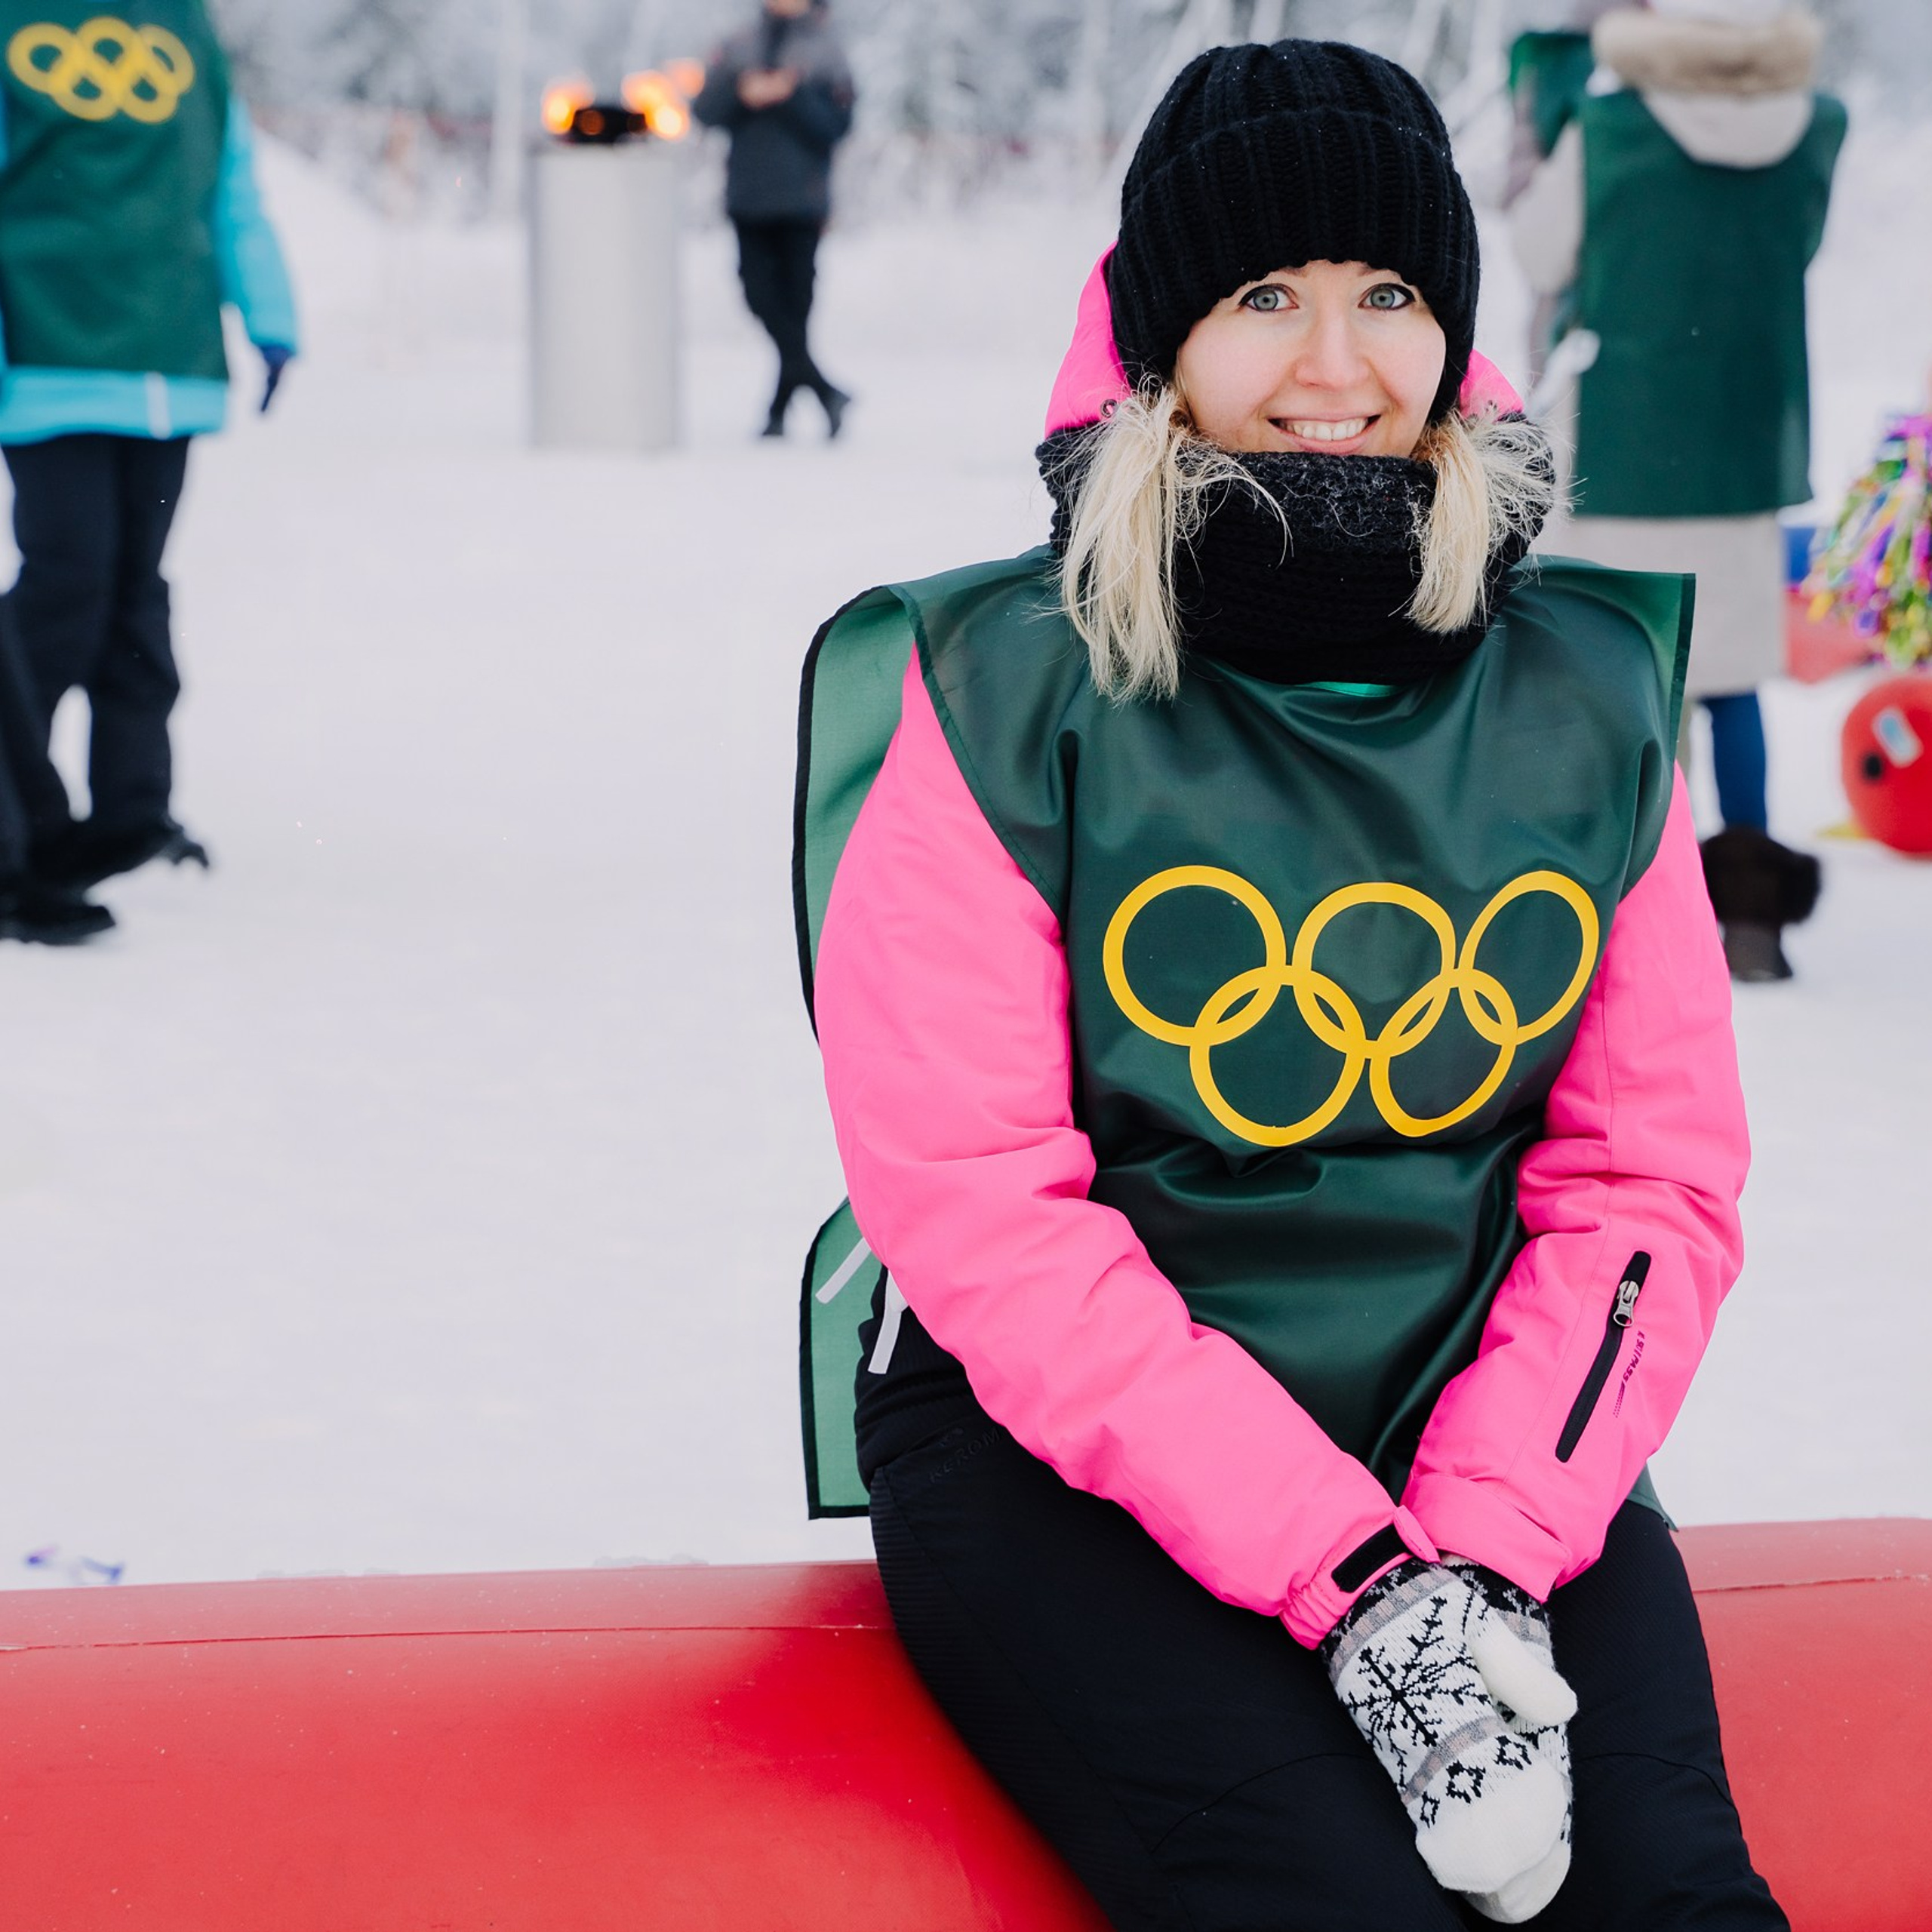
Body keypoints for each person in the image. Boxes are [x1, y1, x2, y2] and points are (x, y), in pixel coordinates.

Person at [801, 39, 1783, 1932]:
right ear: (1160, 334)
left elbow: (1644, 1178)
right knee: (1337, 1896)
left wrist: (1481, 1555)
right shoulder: (996, 685)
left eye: (1386, 294)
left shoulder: (1588, 692)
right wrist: (1356, 1582)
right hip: (1064, 1453)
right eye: (1263, 297)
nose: (1333, 365)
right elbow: (981, 1207)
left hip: (1476, 1420)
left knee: (1665, 1892)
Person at [1510, 0, 1844, 980]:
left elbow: (1540, 253)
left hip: (1627, 430)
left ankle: (1638, 914)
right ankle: (1751, 921)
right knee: (1731, 677)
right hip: (1745, 434)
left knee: (1630, 675)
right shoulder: (1814, 127)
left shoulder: (1610, 129)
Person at [0, 0, 298, 893]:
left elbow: (228, 181)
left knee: (136, 589)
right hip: (48, 348)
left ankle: (132, 812)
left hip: (168, 360)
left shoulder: (185, 26)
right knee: (68, 585)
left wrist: (270, 314)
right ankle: (19, 820)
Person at [693, 0, 854, 440]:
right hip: (749, 197)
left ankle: (777, 413)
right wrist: (741, 92)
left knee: (796, 307)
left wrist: (791, 95)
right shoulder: (739, 44)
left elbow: (837, 125)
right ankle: (824, 392)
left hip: (803, 200)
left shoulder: (826, 48)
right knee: (760, 296)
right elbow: (704, 111)